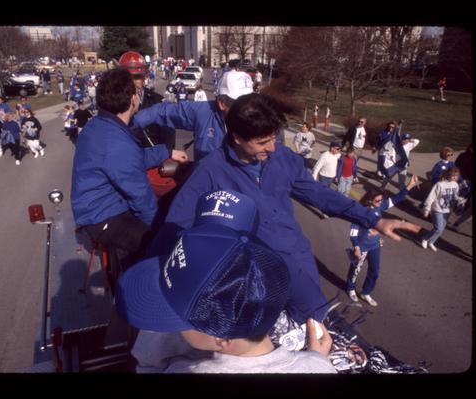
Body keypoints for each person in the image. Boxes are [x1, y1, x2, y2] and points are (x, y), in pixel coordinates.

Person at [147, 93, 421, 348]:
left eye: (274, 137)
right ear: (238, 138)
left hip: (297, 263)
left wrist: (371, 218)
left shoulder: (282, 157)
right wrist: (151, 283)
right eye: (263, 142)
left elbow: (319, 194)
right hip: (252, 280)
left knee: (323, 336)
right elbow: (176, 229)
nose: (273, 147)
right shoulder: (210, 172)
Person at [118, 189, 336, 374]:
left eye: (178, 320)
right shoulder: (318, 368)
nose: (173, 330)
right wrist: (316, 360)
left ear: (221, 339)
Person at [70, 67, 188, 285]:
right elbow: (141, 199)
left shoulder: (101, 126)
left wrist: (166, 152)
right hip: (102, 216)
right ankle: (138, 295)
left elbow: (130, 160)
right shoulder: (117, 142)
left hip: (98, 205)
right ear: (133, 99)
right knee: (166, 243)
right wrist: (159, 232)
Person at [131, 69, 254, 163]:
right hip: (206, 185)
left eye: (252, 101)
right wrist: (125, 126)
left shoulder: (261, 121)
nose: (250, 109)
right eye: (242, 103)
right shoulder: (203, 111)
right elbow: (161, 111)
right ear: (222, 103)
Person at [346, 175, 420, 306]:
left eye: (381, 200)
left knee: (374, 271)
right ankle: (350, 288)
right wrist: (356, 247)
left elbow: (396, 199)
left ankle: (366, 292)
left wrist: (409, 186)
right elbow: (353, 232)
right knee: (356, 269)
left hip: (375, 245)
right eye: (377, 201)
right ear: (369, 200)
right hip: (362, 247)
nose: (380, 202)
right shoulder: (360, 211)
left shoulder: (379, 207)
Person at [120, 51, 176, 152]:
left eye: (137, 77)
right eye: (127, 78)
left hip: (153, 162)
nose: (132, 82)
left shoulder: (157, 102)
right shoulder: (112, 104)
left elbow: (169, 137)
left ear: (144, 77)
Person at [421, 167, 465, 252]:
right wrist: (427, 209)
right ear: (449, 175)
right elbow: (431, 197)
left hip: (448, 210)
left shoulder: (455, 185)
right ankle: (425, 238)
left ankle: (431, 242)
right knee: (438, 228)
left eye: (457, 176)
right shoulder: (440, 184)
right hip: (437, 209)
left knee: (441, 229)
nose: (455, 178)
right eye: (453, 176)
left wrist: (460, 199)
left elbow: (454, 196)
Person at [451, 143, 473, 230]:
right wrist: (459, 178)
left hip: (469, 181)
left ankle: (457, 222)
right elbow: (456, 166)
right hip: (461, 179)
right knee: (457, 197)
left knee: (464, 202)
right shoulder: (463, 155)